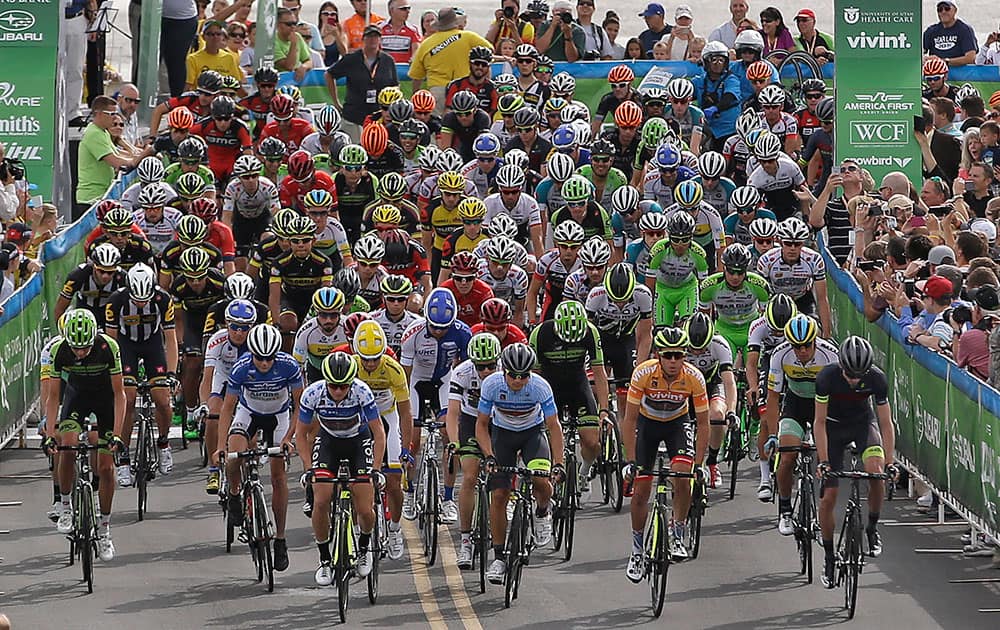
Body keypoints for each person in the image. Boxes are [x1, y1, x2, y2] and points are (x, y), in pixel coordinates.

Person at [623, 327, 710, 578]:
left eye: (679, 355)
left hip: (677, 425)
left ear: (685, 356)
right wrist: (629, 460)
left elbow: (703, 423)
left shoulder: (694, 377)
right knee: (640, 490)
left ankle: (678, 532)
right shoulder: (643, 373)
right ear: (659, 355)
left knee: (683, 475)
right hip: (647, 425)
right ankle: (638, 549)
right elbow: (629, 421)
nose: (673, 361)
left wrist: (701, 463)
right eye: (668, 355)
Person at [43, 309, 128, 562]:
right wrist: (50, 434)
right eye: (75, 348)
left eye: (85, 348)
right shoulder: (60, 350)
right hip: (76, 397)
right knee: (66, 445)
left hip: (105, 400)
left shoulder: (108, 346)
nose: (80, 353)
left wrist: (118, 435)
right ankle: (66, 506)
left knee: (105, 466)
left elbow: (120, 395)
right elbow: (53, 397)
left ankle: (104, 529)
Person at [217, 324, 302, 573]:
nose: (264, 363)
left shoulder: (289, 366)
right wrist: (221, 446)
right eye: (259, 358)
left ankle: (281, 539)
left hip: (279, 416)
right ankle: (234, 494)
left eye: (269, 358)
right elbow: (227, 408)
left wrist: (288, 438)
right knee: (234, 456)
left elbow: (300, 407)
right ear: (251, 353)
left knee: (278, 478)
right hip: (249, 413)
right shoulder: (242, 367)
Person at [476, 342, 564, 584]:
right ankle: (499, 557)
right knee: (500, 494)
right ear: (503, 371)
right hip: (502, 436)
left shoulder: (540, 387)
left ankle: (542, 511)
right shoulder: (492, 385)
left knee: (541, 480)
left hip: (532, 435)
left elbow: (554, 427)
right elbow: (482, 425)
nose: (518, 380)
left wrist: (558, 463)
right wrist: (489, 456)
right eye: (513, 375)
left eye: (524, 375)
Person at [814, 336, 896, 588]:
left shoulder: (876, 378)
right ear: (841, 366)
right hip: (833, 429)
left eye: (859, 374)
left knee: (876, 473)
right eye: (850, 374)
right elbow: (819, 422)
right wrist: (825, 461)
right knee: (829, 497)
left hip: (863, 425)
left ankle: (871, 528)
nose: (854, 380)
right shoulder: (827, 378)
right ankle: (829, 556)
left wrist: (890, 462)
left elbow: (885, 423)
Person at [76, 96, 149, 219]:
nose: (115, 117)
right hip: (91, 199)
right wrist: (143, 157)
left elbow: (120, 154)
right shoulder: (94, 134)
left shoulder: (103, 132)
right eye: (112, 114)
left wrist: (141, 154)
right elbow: (117, 162)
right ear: (98, 114)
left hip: (103, 195)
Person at [409, 8, 494, 116]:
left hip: (437, 90)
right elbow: (489, 50)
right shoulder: (468, 37)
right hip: (464, 88)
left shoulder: (426, 44)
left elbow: (416, 76)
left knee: (437, 126)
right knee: (464, 124)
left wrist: (415, 96)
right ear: (455, 23)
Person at [326, 26, 398, 142]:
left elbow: (395, 86)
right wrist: (336, 101)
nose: (373, 40)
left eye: (376, 37)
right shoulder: (351, 59)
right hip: (354, 116)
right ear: (363, 39)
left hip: (379, 118)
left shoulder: (388, 60)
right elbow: (329, 74)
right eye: (369, 36)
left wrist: (391, 110)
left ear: (380, 39)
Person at [185, 20, 243, 90]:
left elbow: (237, 85)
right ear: (203, 37)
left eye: (218, 34)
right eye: (210, 34)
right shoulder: (193, 59)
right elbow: (189, 87)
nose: (215, 37)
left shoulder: (228, 57)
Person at [923, 0, 978, 67]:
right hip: (936, 74)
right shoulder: (930, 31)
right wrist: (925, 59)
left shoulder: (965, 30)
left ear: (955, 10)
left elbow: (970, 58)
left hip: (960, 73)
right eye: (940, 9)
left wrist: (944, 62)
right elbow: (919, 54)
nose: (943, 12)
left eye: (947, 8)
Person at [274, 8, 314, 82]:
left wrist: (304, 67)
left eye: (294, 23)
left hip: (296, 81)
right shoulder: (273, 42)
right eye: (289, 24)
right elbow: (289, 66)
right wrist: (293, 44)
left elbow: (309, 61)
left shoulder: (297, 36)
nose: (293, 27)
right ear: (278, 24)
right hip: (280, 82)